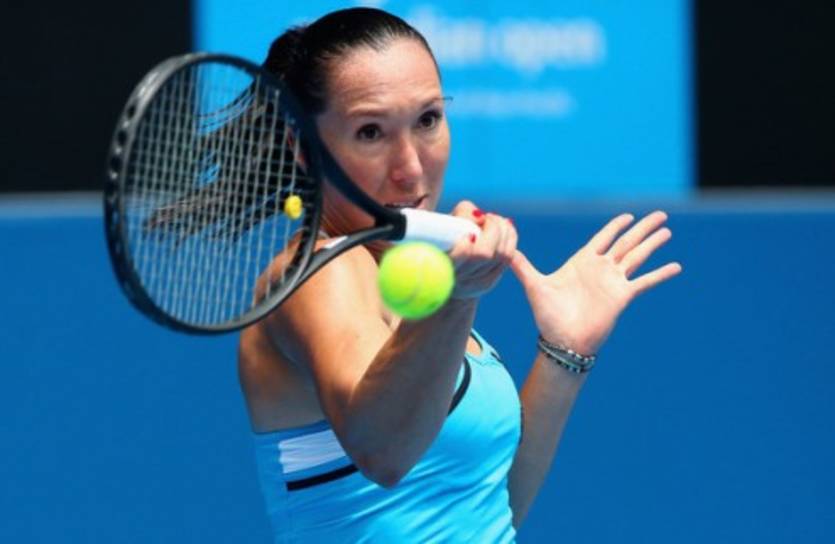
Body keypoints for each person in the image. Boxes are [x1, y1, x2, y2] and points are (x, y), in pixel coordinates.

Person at [238, 7, 681, 543]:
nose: (410, 167)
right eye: (371, 132)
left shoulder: (402, 271)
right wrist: (456, 297)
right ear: (303, 149)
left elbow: (492, 506)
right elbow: (383, 453)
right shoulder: (318, 274)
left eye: (427, 120)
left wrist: (563, 352)